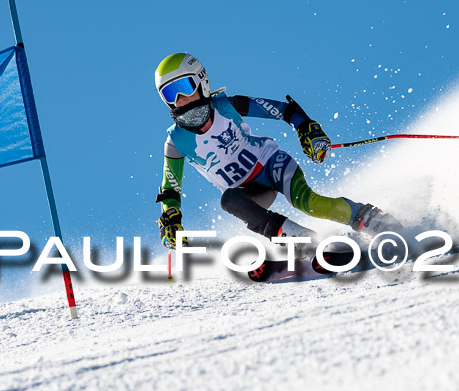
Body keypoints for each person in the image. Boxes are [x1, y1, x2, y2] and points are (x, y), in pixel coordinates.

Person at [154, 53, 400, 250]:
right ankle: (303, 242)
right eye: (169, 94)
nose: (180, 99)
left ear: (201, 81)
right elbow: (170, 188)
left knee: (309, 204)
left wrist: (306, 127)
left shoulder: (227, 106)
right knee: (229, 200)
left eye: (184, 87)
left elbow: (283, 110)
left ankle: (371, 219)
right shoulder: (176, 141)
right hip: (247, 190)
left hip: (271, 165)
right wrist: (171, 217)